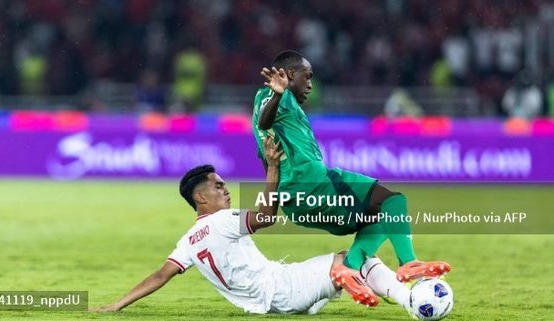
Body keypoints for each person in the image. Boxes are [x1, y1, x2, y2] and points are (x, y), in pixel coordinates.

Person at [91, 136, 411, 313]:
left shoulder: (188, 240)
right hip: (283, 289)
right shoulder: (224, 221)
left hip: (268, 302)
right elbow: (265, 217)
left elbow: (161, 276)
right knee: (355, 258)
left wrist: (117, 304)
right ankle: (412, 299)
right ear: (201, 199)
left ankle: (360, 282)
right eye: (218, 186)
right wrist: (273, 167)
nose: (226, 188)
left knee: (347, 263)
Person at [253, 50, 450, 305]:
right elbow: (264, 121)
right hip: (315, 184)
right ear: (290, 74)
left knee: (384, 213)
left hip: (297, 202)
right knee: (393, 202)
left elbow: (266, 146)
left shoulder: (280, 104)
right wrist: (278, 93)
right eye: (307, 77)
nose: (311, 84)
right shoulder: (272, 96)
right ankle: (406, 262)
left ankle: (349, 269)